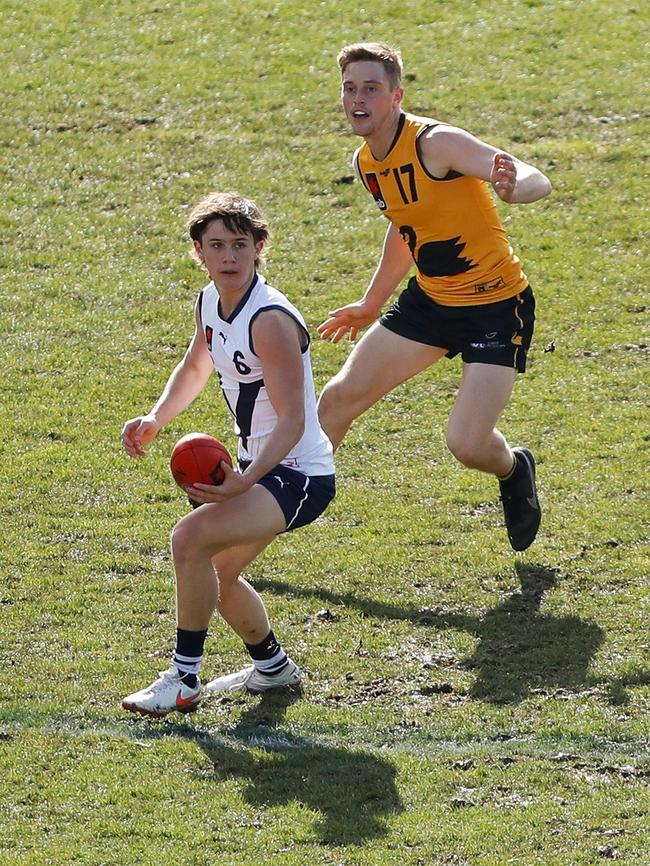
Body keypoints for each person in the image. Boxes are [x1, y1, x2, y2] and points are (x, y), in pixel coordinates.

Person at [317, 42, 552, 551]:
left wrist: (516, 188)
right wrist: (371, 303)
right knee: (336, 400)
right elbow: (406, 229)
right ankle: (283, 502)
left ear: (396, 95)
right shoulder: (367, 161)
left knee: (467, 444)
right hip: (431, 301)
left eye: (372, 89)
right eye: (350, 88)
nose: (359, 99)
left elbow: (533, 176)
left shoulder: (435, 143)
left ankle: (514, 469)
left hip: (495, 305)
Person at [121, 192, 335, 717]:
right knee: (215, 573)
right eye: (216, 245)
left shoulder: (270, 320)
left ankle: (184, 677)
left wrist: (246, 480)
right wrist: (156, 418)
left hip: (298, 474)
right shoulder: (209, 303)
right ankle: (272, 667)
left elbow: (293, 421)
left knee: (188, 539)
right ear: (199, 251)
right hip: (261, 471)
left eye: (240, 244)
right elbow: (196, 366)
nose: (229, 256)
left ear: (259, 247)